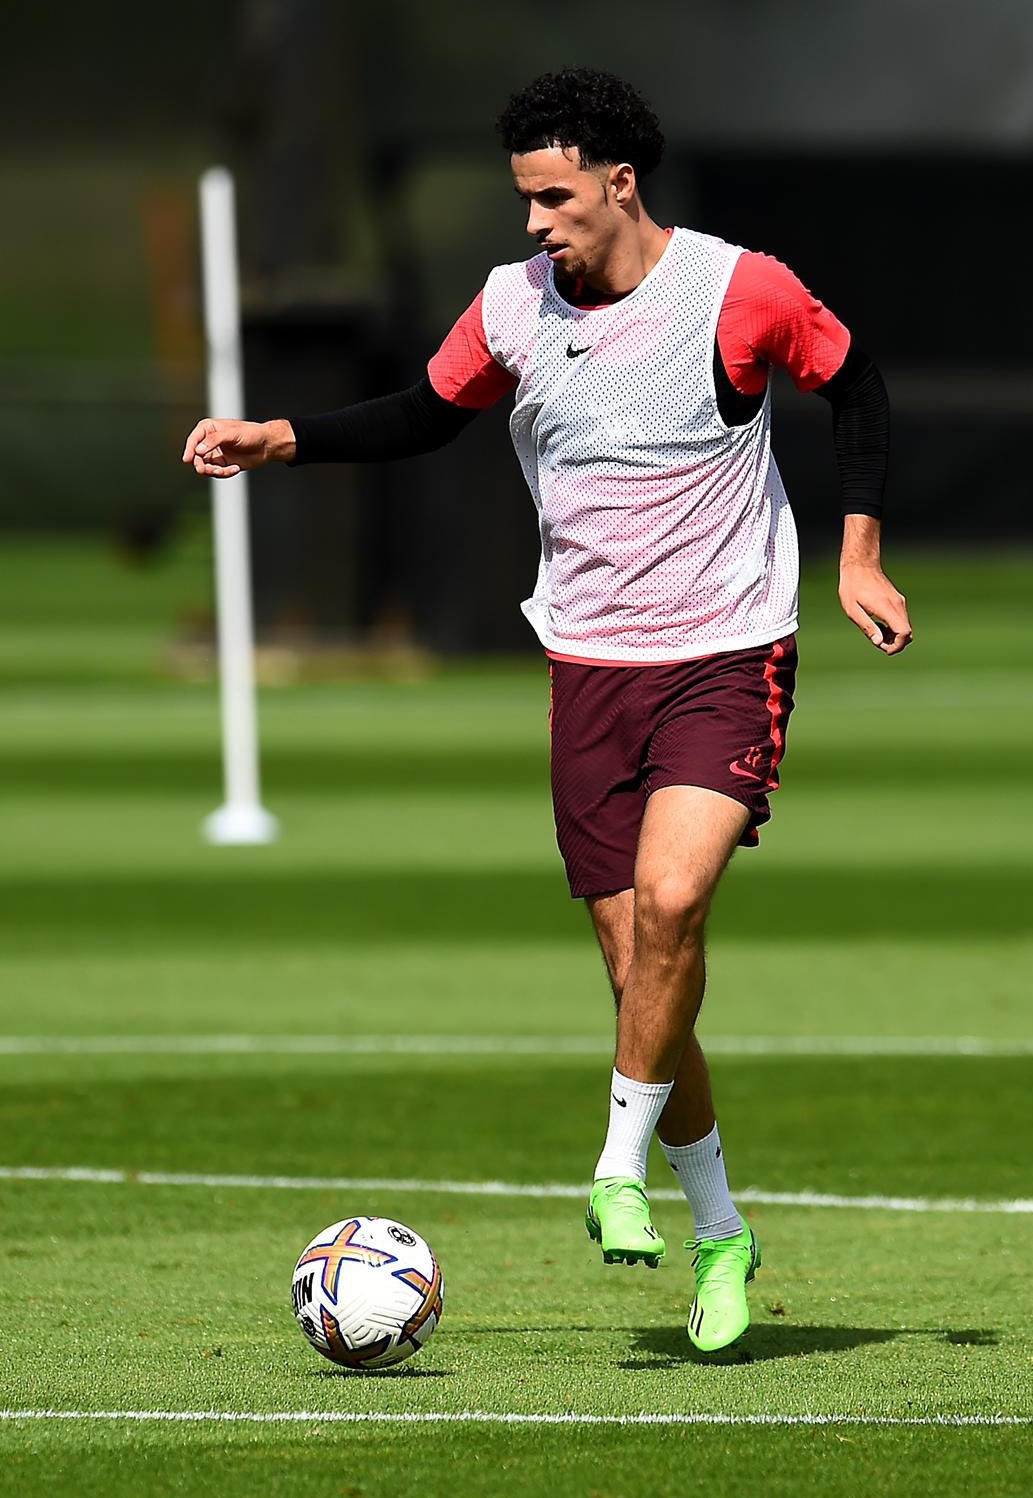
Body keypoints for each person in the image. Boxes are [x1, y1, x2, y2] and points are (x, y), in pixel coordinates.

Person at [183, 68, 912, 1354]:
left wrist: (855, 555)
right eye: (524, 198)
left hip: (726, 651)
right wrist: (279, 438)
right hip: (586, 667)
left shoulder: (740, 290)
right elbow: (425, 412)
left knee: (677, 905)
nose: (533, 223)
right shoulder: (511, 308)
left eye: (554, 197)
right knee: (644, 974)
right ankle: (722, 1228)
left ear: (619, 183)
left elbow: (857, 388)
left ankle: (614, 1165)